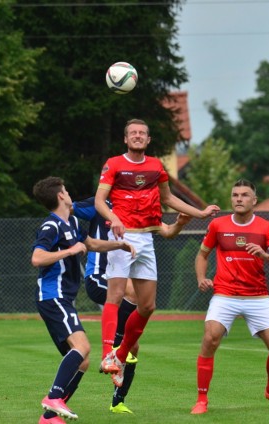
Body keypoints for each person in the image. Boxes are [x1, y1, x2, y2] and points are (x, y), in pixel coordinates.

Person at [94, 118, 220, 388]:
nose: (138, 136)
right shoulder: (114, 163)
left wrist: (199, 212)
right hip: (121, 235)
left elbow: (168, 198)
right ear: (126, 139)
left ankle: (120, 354)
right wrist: (114, 219)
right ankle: (107, 354)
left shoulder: (155, 166)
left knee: (148, 306)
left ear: (148, 140)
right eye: (133, 133)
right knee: (115, 294)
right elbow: (98, 201)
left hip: (147, 237)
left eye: (142, 133)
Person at [72, 197, 191, 414]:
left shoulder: (141, 207)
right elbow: (66, 209)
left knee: (133, 345)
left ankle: (118, 402)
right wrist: (75, 238)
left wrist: (180, 223)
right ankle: (113, 351)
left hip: (122, 279)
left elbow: (167, 232)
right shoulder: (101, 204)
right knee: (132, 293)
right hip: (99, 276)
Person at [32, 176, 136, 424]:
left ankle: (49, 417)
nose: (69, 194)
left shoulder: (73, 223)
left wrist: (118, 245)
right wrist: (69, 251)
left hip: (62, 299)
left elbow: (90, 244)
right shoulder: (51, 226)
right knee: (83, 347)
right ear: (60, 196)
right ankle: (53, 398)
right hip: (53, 296)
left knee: (83, 361)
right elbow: (37, 258)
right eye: (66, 190)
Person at [191, 179, 269, 414]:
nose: (239, 199)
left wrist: (265, 255)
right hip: (225, 294)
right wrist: (201, 277)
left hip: (257, 296)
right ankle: (201, 400)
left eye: (244, 195)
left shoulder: (265, 227)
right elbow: (202, 255)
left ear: (254, 201)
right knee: (210, 338)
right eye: (235, 195)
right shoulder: (218, 225)